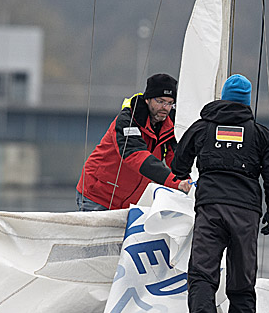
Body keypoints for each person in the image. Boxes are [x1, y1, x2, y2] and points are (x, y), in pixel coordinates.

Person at [168, 74, 269, 313]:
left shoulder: (203, 127)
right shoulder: (261, 135)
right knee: (242, 281)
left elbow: (179, 164)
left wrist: (191, 172)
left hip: (210, 209)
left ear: (222, 97)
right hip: (246, 214)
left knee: (202, 275)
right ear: (246, 102)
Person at [76, 73, 191, 211]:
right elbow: (135, 155)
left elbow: (177, 159)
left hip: (131, 202)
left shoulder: (171, 125)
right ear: (148, 99)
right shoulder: (128, 120)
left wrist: (189, 181)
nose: (165, 107)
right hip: (98, 196)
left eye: (170, 103)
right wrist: (175, 183)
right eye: (160, 101)